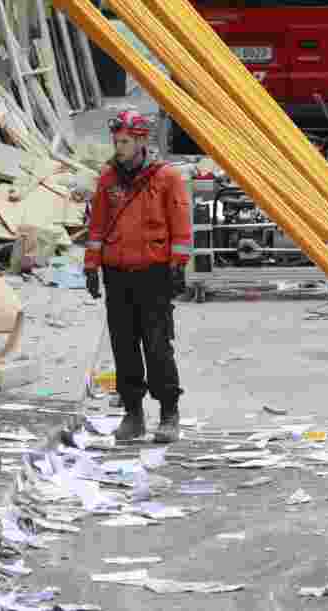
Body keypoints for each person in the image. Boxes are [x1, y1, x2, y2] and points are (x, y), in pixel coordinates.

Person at [83, 110, 192, 443]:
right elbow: (97, 227)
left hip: (154, 274)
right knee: (123, 347)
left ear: (142, 141)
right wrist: (91, 265)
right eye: (117, 141)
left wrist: (178, 265)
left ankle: (169, 414)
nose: (119, 146)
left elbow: (181, 225)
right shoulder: (108, 179)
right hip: (117, 274)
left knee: (158, 346)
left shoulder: (166, 178)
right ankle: (133, 415)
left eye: (126, 141)